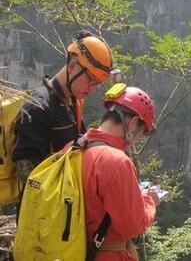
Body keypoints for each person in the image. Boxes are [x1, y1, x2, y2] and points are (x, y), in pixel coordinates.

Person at [12, 30, 115, 183]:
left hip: (68, 200)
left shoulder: (74, 103)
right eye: (90, 80)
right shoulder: (38, 107)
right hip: (43, 204)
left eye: (97, 84)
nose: (92, 88)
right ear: (72, 66)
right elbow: (27, 176)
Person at [81, 84, 159, 260]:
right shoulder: (117, 162)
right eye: (140, 134)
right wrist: (149, 201)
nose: (135, 142)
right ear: (132, 124)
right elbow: (131, 226)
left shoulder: (73, 148)